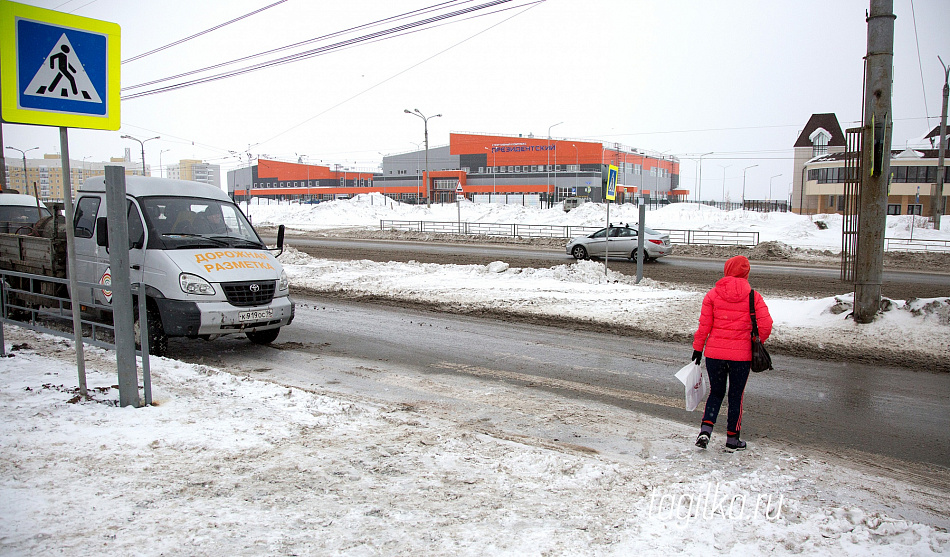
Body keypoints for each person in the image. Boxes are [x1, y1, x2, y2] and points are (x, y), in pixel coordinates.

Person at [691, 255, 772, 453]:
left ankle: (706, 430)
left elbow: (704, 327)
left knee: (716, 393)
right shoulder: (754, 296)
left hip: (715, 355)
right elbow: (766, 325)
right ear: (746, 273)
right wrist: (753, 339)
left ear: (726, 270)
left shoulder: (712, 295)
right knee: (736, 396)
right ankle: (732, 439)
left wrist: (698, 349)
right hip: (741, 358)